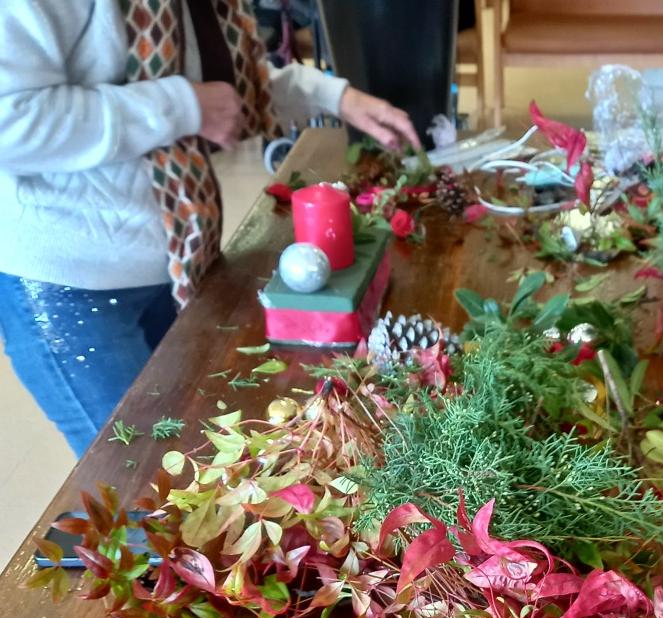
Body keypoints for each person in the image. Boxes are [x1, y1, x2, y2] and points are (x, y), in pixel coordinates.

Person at [0, 0, 419, 455]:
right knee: (135, 471)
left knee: (190, 456)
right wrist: (181, 106)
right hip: (70, 288)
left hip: (175, 259)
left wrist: (337, 98)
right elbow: (10, 118)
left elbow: (225, 88)